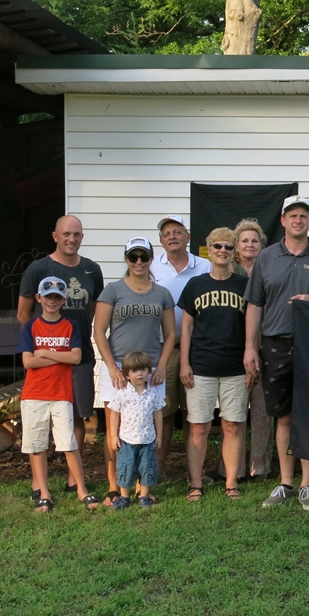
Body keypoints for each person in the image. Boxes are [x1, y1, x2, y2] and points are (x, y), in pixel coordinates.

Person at [244, 196, 309, 510]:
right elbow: (255, 304)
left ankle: (307, 485)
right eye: (292, 215)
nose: (298, 220)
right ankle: (285, 483)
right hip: (275, 344)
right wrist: (250, 346)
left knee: (308, 416)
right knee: (283, 416)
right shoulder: (267, 257)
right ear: (283, 221)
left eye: (303, 215)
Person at [17, 215, 103, 492]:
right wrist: (42, 347)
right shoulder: (38, 268)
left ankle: (72, 477)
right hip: (44, 358)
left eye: (77, 234)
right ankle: (37, 481)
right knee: (41, 418)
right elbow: (23, 314)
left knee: (77, 414)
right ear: (55, 236)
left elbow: (93, 310)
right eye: (66, 234)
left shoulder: (91, 270)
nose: (71, 239)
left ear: (82, 237)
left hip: (79, 354)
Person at [93, 237, 177, 505]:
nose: (139, 262)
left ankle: (143, 486)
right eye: (133, 257)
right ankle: (115, 486)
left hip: (151, 370)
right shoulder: (113, 290)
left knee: (148, 426)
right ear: (126, 259)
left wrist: (161, 365)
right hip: (118, 367)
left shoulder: (161, 293)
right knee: (115, 429)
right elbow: (99, 331)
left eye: (144, 256)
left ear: (151, 258)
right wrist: (110, 367)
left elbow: (171, 333)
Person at [180, 227, 251, 502]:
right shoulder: (196, 285)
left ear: (235, 253)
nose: (223, 251)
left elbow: (252, 326)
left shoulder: (244, 286)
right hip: (202, 365)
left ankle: (231, 483)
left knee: (233, 425)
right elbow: (186, 327)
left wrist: (250, 359)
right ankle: (195, 483)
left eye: (228, 247)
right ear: (209, 250)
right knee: (199, 426)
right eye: (218, 246)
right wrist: (185, 363)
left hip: (235, 366)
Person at [18, 276, 100, 513]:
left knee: (69, 443)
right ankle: (43, 493)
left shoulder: (70, 325)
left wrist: (43, 352)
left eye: (56, 297)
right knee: (37, 444)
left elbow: (75, 357)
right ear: (38, 298)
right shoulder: (30, 326)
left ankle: (81, 489)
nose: (51, 301)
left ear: (64, 299)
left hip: (61, 393)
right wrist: (53, 355)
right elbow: (27, 361)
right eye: (47, 296)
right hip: (34, 393)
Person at [150, 214, 212, 478]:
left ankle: (193, 471)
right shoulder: (151, 267)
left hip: (196, 349)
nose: (172, 236)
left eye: (177, 232)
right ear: (161, 241)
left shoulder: (205, 266)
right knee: (162, 413)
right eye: (166, 233)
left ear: (188, 237)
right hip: (162, 349)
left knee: (194, 414)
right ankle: (157, 470)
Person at [231, 218, 273, 483]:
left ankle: (260, 467)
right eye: (244, 240)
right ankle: (231, 469)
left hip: (266, 346)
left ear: (261, 245)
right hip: (234, 348)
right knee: (234, 412)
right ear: (236, 245)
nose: (250, 244)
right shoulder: (228, 271)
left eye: (254, 240)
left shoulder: (270, 268)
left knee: (262, 411)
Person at [107, 351, 165, 509]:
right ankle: (124, 497)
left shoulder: (153, 393)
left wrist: (159, 435)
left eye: (143, 370)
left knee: (146, 467)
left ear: (149, 371)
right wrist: (114, 436)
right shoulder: (122, 394)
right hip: (127, 439)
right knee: (125, 467)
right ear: (126, 374)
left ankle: (144, 496)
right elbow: (114, 414)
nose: (139, 373)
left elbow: (158, 414)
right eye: (134, 371)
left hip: (147, 439)